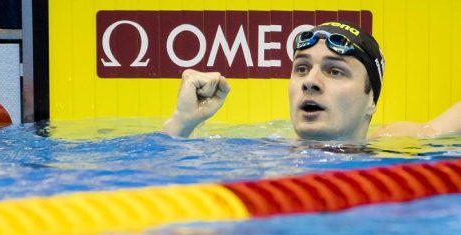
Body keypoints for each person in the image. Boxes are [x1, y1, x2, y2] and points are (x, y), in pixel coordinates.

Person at [162, 21, 461, 141]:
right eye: (301, 69)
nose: (310, 82)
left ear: (371, 100)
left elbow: (437, 129)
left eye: (335, 71)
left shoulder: (393, 141)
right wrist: (183, 122)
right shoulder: (261, 155)